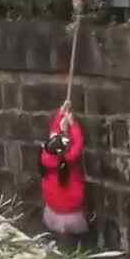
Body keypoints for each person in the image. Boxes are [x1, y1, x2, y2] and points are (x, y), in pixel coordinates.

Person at [39, 101, 89, 245]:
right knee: (76, 246)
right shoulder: (68, 160)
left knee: (55, 245)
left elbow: (53, 136)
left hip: (51, 213)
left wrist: (61, 114)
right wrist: (72, 124)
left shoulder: (45, 157)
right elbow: (78, 143)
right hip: (72, 215)